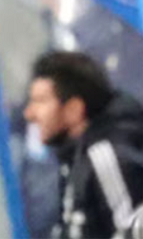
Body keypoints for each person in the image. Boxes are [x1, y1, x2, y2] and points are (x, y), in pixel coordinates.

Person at [24, 51, 143, 239]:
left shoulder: (105, 156)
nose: (29, 114)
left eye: (41, 101)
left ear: (74, 109)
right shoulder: (75, 160)